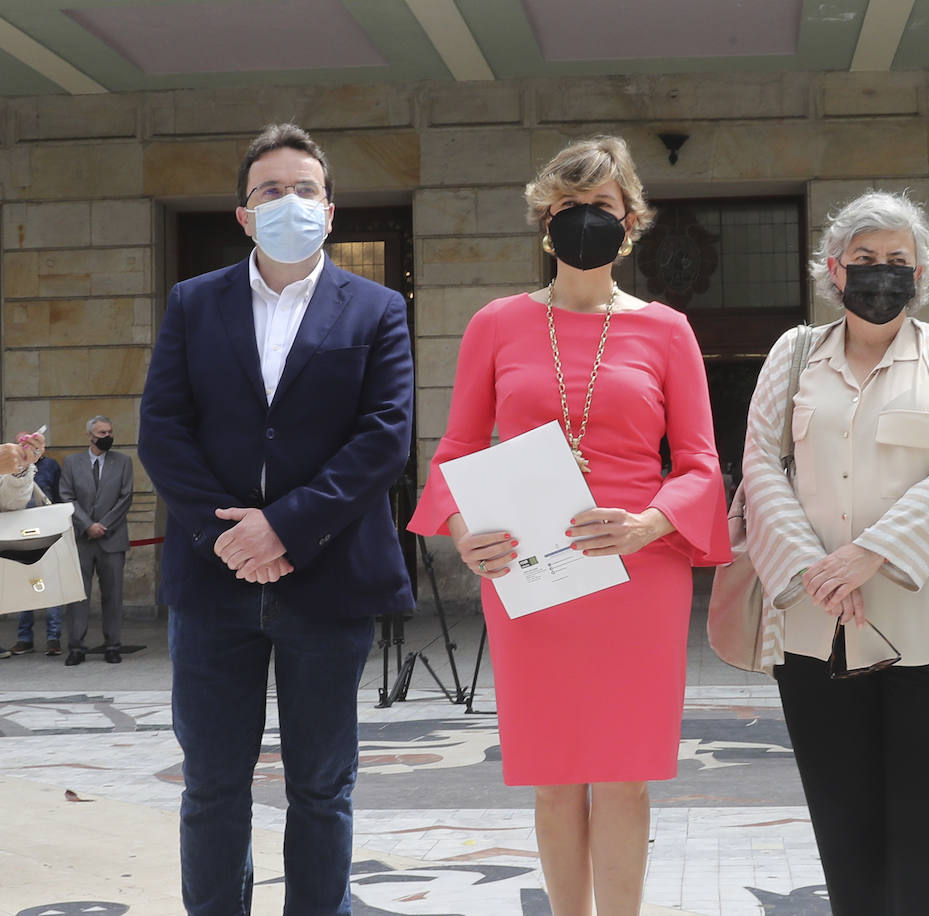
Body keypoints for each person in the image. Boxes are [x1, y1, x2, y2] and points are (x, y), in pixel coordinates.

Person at [407, 135, 730, 916]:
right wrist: (459, 529)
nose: (589, 219)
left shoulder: (667, 330)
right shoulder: (496, 323)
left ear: (632, 221)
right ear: (546, 222)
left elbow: (700, 464)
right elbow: (453, 450)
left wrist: (649, 524)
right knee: (554, 780)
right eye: (570, 207)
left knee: (624, 774)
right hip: (530, 574)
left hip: (635, 576)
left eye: (605, 207)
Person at [139, 123, 414, 915]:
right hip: (212, 582)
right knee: (213, 786)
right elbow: (163, 426)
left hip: (326, 583)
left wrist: (284, 528)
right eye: (269, 190)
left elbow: (383, 437)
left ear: (330, 211)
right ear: (243, 214)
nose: (287, 201)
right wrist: (227, 537)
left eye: (304, 189)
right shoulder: (194, 304)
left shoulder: (377, 308)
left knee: (322, 788)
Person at [741, 190, 929, 916]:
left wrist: (869, 556)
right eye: (864, 260)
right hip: (815, 624)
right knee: (842, 823)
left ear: (922, 274)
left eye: (897, 261)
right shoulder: (794, 355)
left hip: (927, 627)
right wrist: (814, 569)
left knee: (927, 827)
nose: (880, 274)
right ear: (834, 268)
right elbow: (760, 462)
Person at [59, 415, 133, 665]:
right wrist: (88, 524)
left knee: (113, 595)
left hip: (112, 540)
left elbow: (126, 497)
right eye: (102, 433)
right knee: (79, 596)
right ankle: (76, 647)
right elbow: (66, 495)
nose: (107, 437)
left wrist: (104, 525)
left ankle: (112, 645)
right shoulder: (71, 462)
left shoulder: (123, 462)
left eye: (110, 432)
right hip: (82, 540)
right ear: (89, 435)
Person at [11, 452, 64, 656]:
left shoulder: (51, 465)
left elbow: (59, 497)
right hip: (19, 535)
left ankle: (53, 638)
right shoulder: (11, 467)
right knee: (26, 587)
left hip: (47, 532)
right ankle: (25, 639)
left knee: (51, 586)